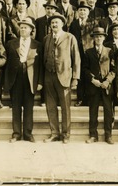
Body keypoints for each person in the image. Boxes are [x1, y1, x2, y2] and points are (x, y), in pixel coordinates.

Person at [43, 12, 81, 144]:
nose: (54, 24)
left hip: (64, 76)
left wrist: (75, 78)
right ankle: (54, 133)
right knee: (51, 106)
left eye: (56, 22)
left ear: (62, 24)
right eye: (52, 22)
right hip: (49, 76)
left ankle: (66, 134)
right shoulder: (47, 38)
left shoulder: (70, 37)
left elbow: (76, 58)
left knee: (65, 107)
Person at [4, 18, 43, 143]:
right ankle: (16, 134)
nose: (22, 29)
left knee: (28, 107)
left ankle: (27, 133)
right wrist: (6, 82)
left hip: (30, 79)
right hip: (15, 79)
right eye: (21, 27)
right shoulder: (11, 43)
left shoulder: (37, 45)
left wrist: (40, 82)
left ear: (31, 29)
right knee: (15, 107)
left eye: (25, 27)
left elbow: (40, 65)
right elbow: (7, 64)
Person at [83, 27, 116, 144]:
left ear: (104, 38)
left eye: (100, 36)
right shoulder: (88, 52)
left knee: (108, 111)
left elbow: (113, 69)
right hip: (94, 86)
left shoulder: (109, 51)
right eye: (96, 36)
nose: (98, 38)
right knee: (93, 111)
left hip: (106, 86)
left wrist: (107, 81)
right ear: (93, 38)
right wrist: (93, 80)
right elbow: (85, 70)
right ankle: (93, 135)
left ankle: (108, 135)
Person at [69, 0, 95, 107]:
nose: (82, 12)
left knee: (89, 74)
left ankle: (89, 99)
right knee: (79, 74)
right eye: (80, 10)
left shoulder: (92, 22)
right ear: (77, 12)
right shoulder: (74, 23)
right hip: (77, 52)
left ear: (88, 12)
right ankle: (80, 98)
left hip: (89, 51)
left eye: (84, 10)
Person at [35, 0, 58, 106]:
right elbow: (35, 36)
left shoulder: (58, 21)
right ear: (45, 9)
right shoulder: (39, 21)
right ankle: (44, 99)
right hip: (42, 50)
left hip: (55, 51)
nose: (49, 11)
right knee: (44, 75)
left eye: (52, 9)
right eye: (48, 8)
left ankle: (56, 99)